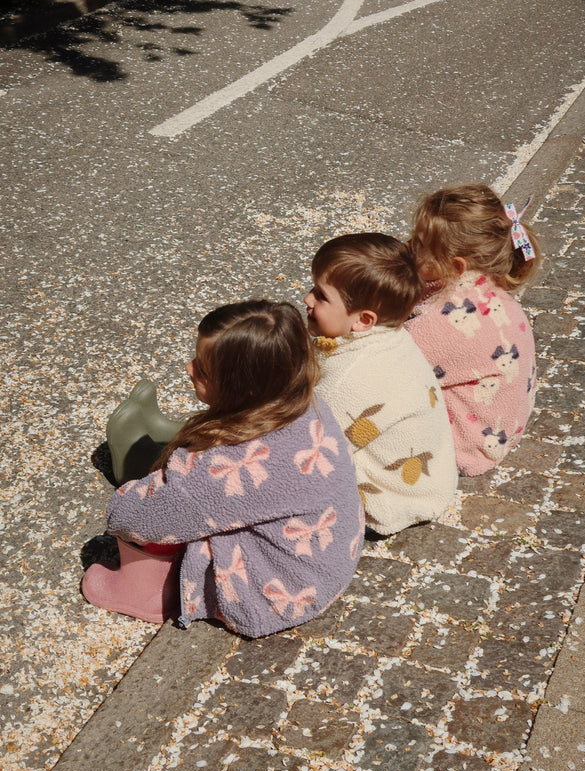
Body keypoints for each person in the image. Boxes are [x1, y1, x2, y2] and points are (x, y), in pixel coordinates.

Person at [82, 300, 364, 636]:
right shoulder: (306, 406)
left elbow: (133, 519)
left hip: (273, 595)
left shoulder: (229, 468)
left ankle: (149, 593)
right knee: (188, 492)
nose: (188, 368)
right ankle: (164, 448)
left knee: (165, 510)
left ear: (239, 389)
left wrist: (139, 492)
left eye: (202, 370)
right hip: (326, 565)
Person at [304, 233, 457, 536]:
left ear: (363, 320)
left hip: (391, 500)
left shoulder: (348, 378)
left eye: (321, 296)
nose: (308, 298)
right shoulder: (389, 338)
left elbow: (313, 445)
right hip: (430, 482)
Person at [404, 184, 541, 476]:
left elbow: (389, 360)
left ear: (453, 265)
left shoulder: (446, 318)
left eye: (418, 244)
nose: (407, 245)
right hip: (501, 426)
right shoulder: (490, 290)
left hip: (466, 447)